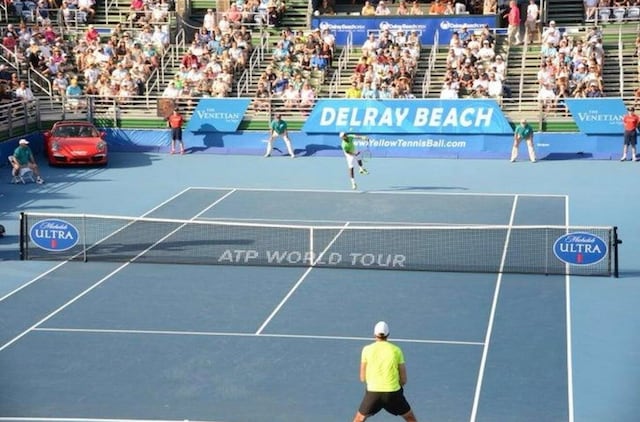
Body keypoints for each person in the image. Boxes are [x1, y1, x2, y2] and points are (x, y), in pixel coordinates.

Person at [352, 321, 418, 422]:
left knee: (359, 419)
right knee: (410, 418)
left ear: (374, 334)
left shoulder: (366, 350)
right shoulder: (397, 350)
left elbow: (362, 378)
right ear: (388, 334)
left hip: (373, 393)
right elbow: (403, 379)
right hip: (393, 393)